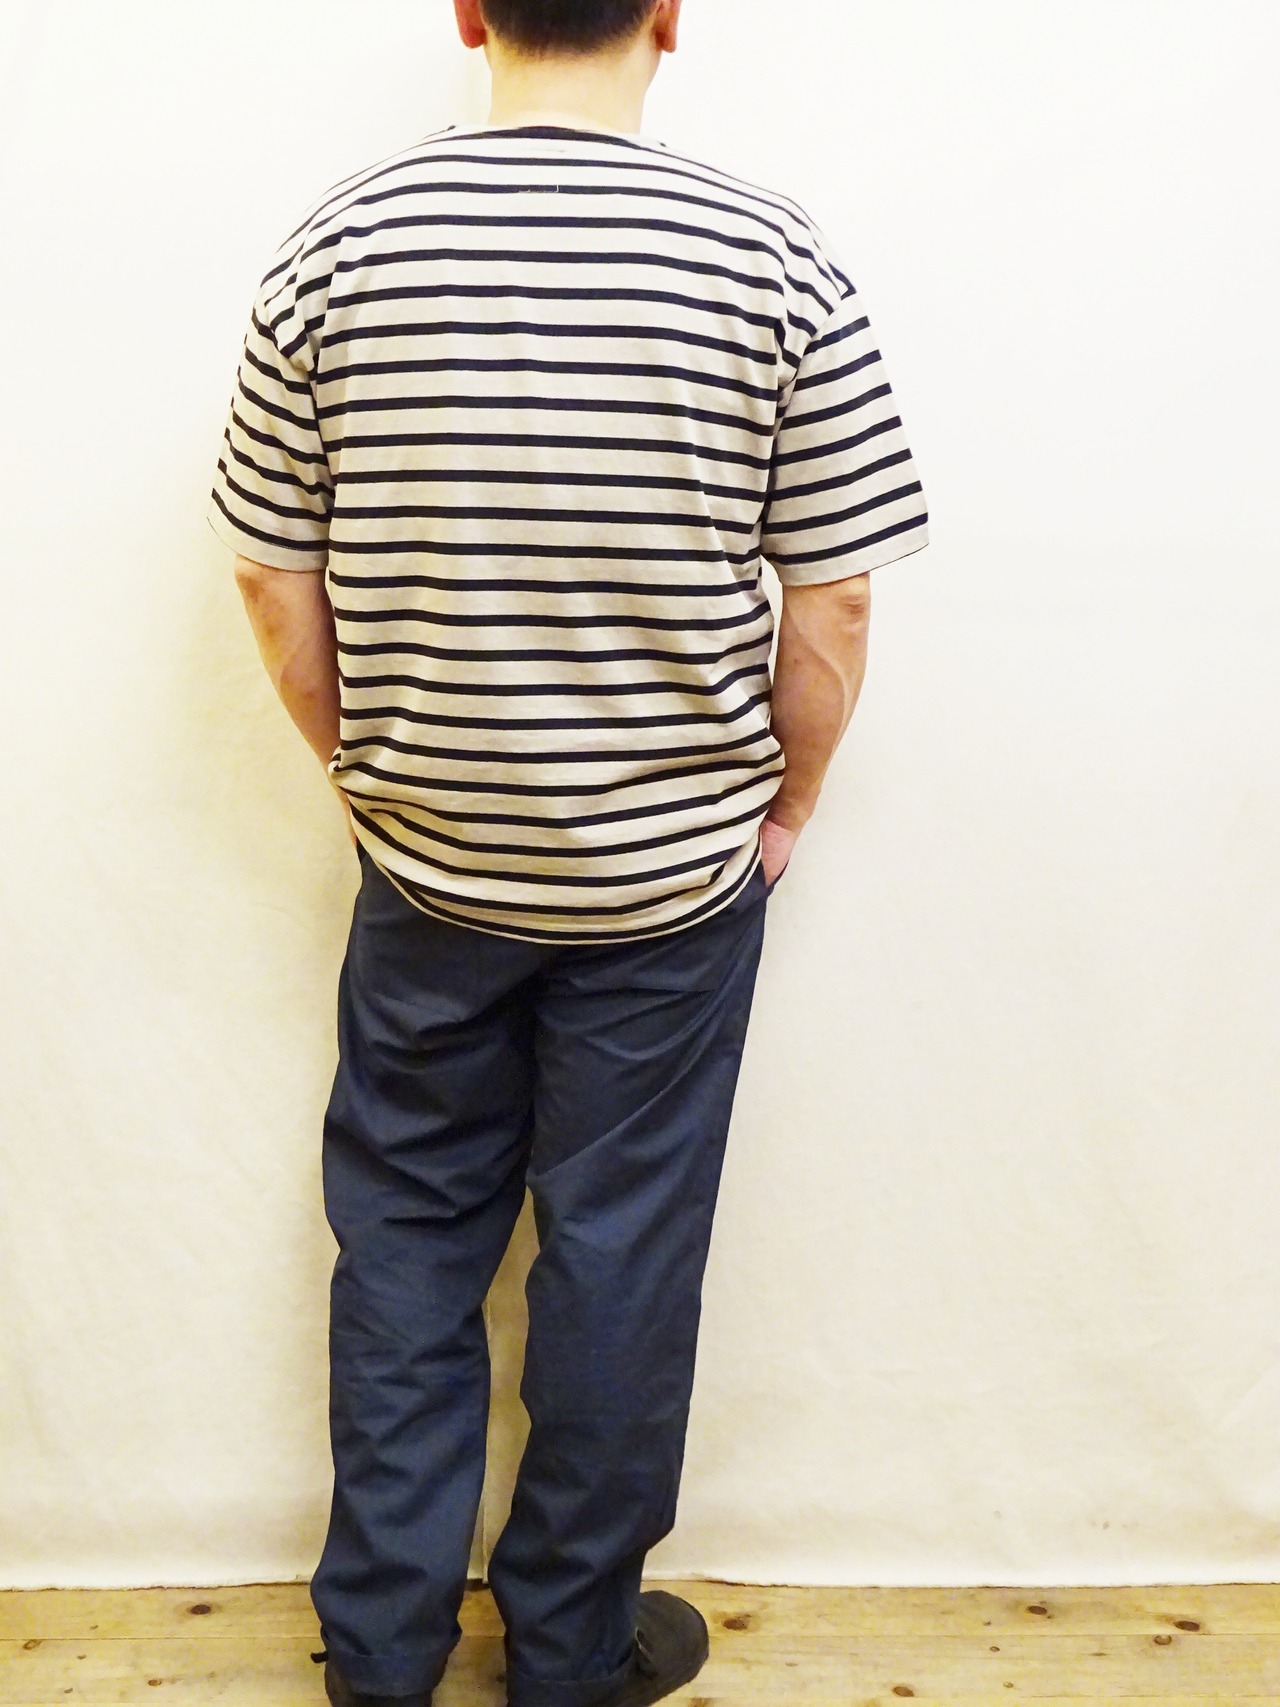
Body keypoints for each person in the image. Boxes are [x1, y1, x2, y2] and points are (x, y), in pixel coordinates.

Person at [208, 1, 928, 1702]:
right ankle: (569, 1650)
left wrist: (360, 771)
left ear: (469, 11)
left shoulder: (341, 246)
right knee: (619, 1260)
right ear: (670, 13)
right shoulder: (772, 258)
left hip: (430, 872)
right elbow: (829, 598)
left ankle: (381, 1653)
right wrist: (787, 803)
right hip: (670, 886)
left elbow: (267, 569)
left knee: (406, 1243)